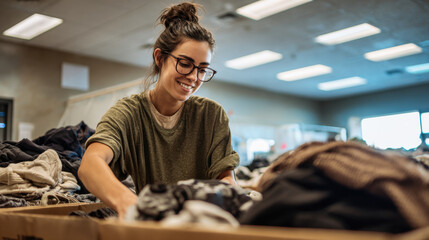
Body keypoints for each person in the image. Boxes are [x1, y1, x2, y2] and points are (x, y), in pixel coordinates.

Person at [78, 2, 239, 219]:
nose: (193, 77)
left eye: (202, 69)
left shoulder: (211, 116)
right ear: (159, 58)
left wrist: (227, 197)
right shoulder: (129, 113)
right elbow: (90, 164)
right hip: (154, 223)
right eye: (185, 63)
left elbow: (226, 178)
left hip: (202, 224)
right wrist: (129, 202)